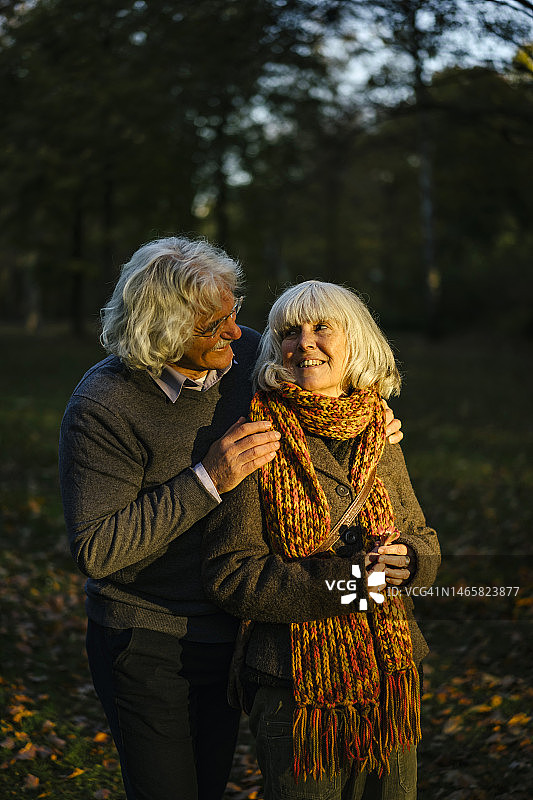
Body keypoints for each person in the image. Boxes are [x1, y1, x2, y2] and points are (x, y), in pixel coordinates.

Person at [58, 238, 404, 800]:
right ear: (163, 336)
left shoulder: (247, 355)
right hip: (147, 637)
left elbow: (329, 384)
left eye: (234, 312)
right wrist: (207, 480)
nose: (236, 330)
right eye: (215, 323)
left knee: (211, 783)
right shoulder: (103, 405)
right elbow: (96, 549)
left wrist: (375, 419)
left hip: (237, 630)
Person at [202, 280, 440, 800]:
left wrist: (411, 561)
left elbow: (422, 536)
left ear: (355, 341)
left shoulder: (378, 430)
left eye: (322, 328)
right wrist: (352, 583)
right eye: (290, 330)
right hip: (295, 693)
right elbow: (233, 575)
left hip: (387, 679)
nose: (304, 342)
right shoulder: (254, 437)